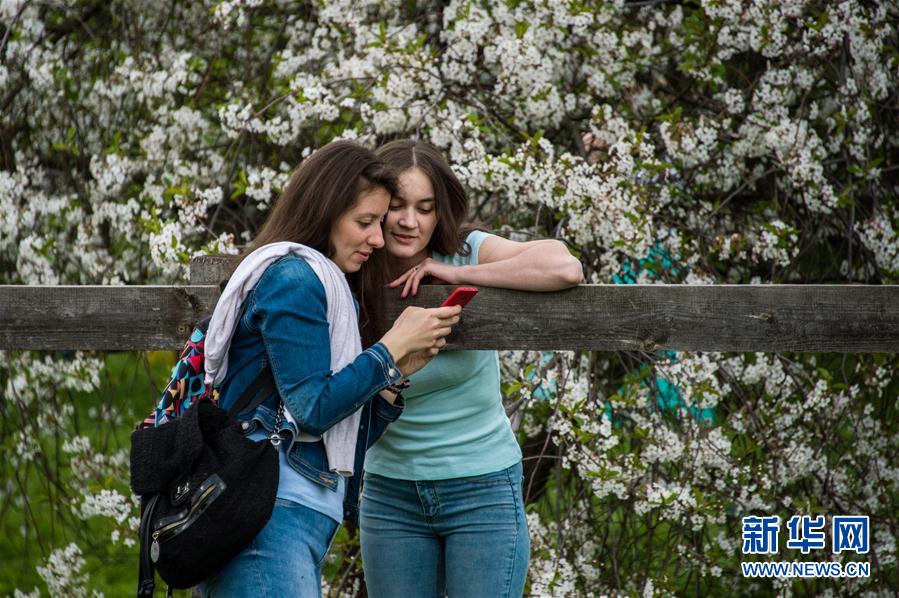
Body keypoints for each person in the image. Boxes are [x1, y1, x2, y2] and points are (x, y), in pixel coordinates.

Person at [197, 140, 461, 597]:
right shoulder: (295, 278)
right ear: (325, 211)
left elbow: (340, 426)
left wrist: (393, 373)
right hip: (269, 518)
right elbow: (312, 409)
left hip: (294, 516)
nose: (378, 239)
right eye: (365, 222)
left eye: (379, 223)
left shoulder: (325, 284)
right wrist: (387, 348)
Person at [360, 139, 583, 597]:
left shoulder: (466, 250)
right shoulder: (356, 260)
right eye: (397, 206)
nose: (409, 221)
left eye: (425, 208)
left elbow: (563, 267)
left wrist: (456, 275)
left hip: (481, 488)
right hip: (390, 492)